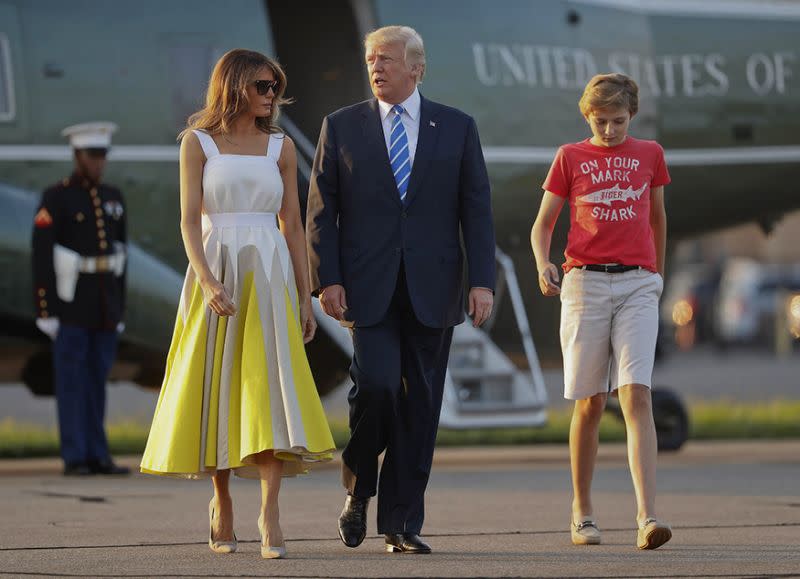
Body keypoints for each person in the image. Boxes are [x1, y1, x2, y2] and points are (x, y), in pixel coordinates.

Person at [306, 25, 496, 554]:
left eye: (387, 59)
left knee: (422, 405)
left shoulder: (457, 127)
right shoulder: (341, 126)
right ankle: (359, 487)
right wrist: (329, 278)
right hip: (367, 287)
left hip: (434, 287)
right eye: (370, 59)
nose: (376, 67)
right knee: (380, 387)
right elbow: (321, 210)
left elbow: (476, 210)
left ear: (417, 67)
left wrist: (482, 282)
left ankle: (401, 522)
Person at [139, 49, 335, 560]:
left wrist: (304, 296)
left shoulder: (281, 148)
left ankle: (270, 513)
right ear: (236, 86)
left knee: (270, 390)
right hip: (216, 271)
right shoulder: (198, 143)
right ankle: (221, 499)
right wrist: (205, 280)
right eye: (263, 87)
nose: (272, 96)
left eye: (275, 87)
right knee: (219, 388)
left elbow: (292, 225)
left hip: (269, 274)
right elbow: (188, 221)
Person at [531, 73, 672, 550]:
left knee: (636, 395)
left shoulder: (649, 154)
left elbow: (657, 216)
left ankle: (647, 516)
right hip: (585, 282)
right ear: (586, 116)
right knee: (590, 401)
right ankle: (582, 510)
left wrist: (657, 274)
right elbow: (543, 224)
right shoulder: (571, 157)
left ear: (631, 115)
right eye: (600, 121)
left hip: (637, 283)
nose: (609, 130)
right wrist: (542, 263)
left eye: (617, 120)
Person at [32, 122, 130, 477]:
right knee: (72, 384)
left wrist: (120, 307)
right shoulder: (56, 198)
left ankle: (98, 454)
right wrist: (46, 310)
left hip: (103, 304)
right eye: (92, 156)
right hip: (71, 305)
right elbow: (42, 256)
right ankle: (76, 456)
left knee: (96, 383)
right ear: (77, 156)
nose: (98, 163)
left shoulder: (113, 197)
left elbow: (121, 256)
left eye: (102, 155)